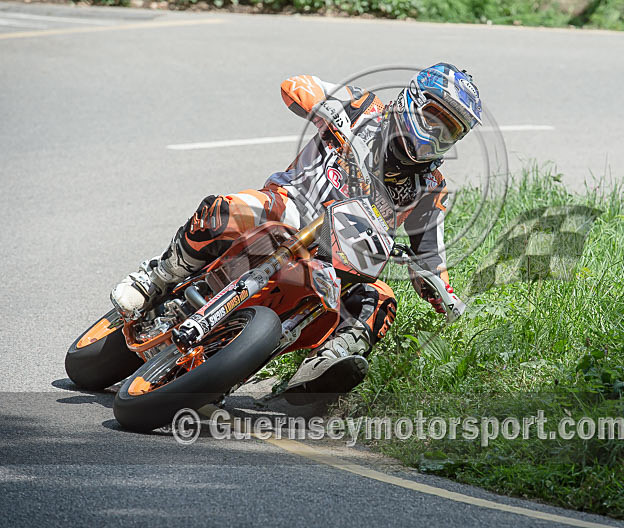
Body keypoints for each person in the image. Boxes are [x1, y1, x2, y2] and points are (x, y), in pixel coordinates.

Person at [110, 63, 482, 398]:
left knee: (381, 300)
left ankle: (320, 373)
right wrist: (319, 105)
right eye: (434, 118)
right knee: (225, 210)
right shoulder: (362, 108)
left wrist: (445, 296)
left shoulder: (431, 186)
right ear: (412, 102)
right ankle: (155, 279)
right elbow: (298, 84)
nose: (437, 135)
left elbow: (432, 253)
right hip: (286, 208)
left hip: (341, 255)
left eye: (450, 131)